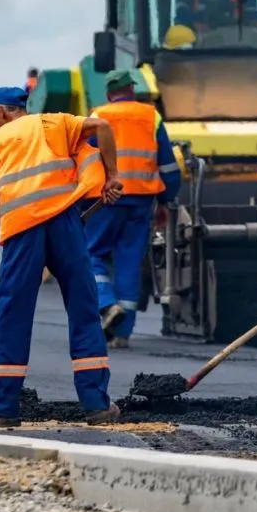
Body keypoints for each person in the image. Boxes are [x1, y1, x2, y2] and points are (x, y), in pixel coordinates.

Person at [0, 85, 125, 427]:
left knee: (12, 314)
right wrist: (112, 175)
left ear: (0, 112)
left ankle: (5, 409)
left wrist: (21, 255)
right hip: (65, 223)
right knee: (84, 309)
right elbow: (102, 127)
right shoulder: (53, 123)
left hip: (22, 231)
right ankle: (97, 405)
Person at [83, 69, 182, 349]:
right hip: (141, 200)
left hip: (105, 199)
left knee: (91, 254)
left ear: (108, 93)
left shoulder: (97, 115)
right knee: (129, 263)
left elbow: (85, 159)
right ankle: (123, 334)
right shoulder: (151, 116)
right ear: (132, 90)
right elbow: (169, 167)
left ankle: (106, 304)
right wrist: (166, 200)